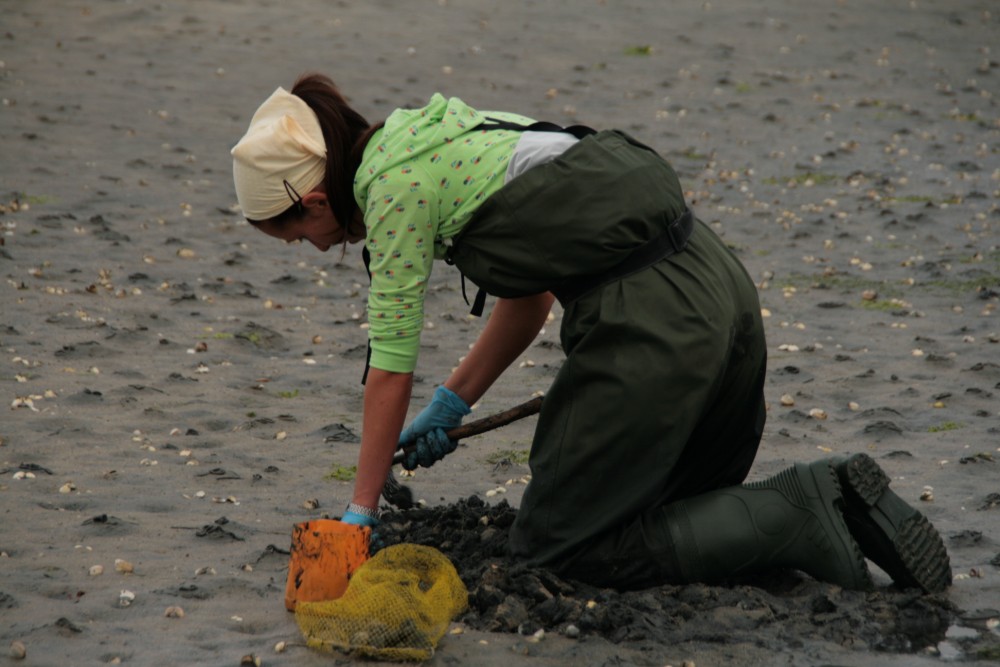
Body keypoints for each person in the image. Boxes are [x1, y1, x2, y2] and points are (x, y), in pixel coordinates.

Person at [231, 73, 951, 593]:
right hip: (720, 295)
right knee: (659, 507)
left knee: (561, 548)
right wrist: (454, 404)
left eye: (297, 236)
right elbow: (530, 298)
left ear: (316, 200)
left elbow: (387, 368)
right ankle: (843, 513)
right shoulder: (436, 137)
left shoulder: (389, 192)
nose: (313, 249)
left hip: (656, 328)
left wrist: (358, 514)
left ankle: (802, 506)